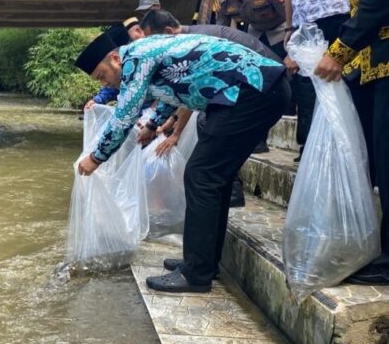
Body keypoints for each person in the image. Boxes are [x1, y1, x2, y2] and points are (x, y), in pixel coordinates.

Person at [75, 25, 289, 293]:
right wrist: (153, 125)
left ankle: (196, 273)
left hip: (252, 90)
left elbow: (124, 115)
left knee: (202, 176)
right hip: (254, 91)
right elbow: (171, 89)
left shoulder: (135, 59)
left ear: (115, 59)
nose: (104, 83)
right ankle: (203, 262)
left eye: (102, 75)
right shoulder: (145, 53)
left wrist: (96, 158)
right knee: (213, 178)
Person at [286, 0, 389, 284]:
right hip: (373, 54)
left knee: (386, 157)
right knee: (372, 153)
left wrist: (341, 49)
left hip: (381, 51)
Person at [139, 8, 282, 207]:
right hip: (254, 83)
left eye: (151, 40)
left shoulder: (190, 46)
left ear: (169, 32)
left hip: (265, 83)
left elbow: (190, 94)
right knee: (208, 131)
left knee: (202, 166)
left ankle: (229, 193)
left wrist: (175, 134)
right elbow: (181, 95)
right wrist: (158, 124)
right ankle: (227, 192)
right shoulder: (187, 40)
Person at [282, 0, 349, 160]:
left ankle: (310, 147)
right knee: (345, 81)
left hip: (307, 18)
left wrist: (291, 26)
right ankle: (345, 148)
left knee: (309, 83)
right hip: (343, 8)